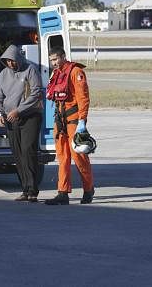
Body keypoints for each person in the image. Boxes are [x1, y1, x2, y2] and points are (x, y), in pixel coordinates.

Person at [44, 47, 94, 205]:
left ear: (63, 57)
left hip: (73, 121)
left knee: (79, 156)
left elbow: (83, 98)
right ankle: (62, 193)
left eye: (56, 59)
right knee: (62, 158)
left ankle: (88, 188)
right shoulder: (57, 74)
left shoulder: (75, 72)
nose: (54, 63)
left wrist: (82, 121)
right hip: (60, 122)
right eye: (51, 60)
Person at [0, 44, 43, 202]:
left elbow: (36, 93)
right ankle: (25, 189)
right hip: (11, 119)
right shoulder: (3, 74)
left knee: (28, 150)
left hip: (30, 116)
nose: (10, 64)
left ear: (18, 58)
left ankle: (33, 190)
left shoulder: (30, 70)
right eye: (7, 61)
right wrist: (0, 114)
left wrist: (19, 110)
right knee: (17, 154)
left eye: (13, 60)